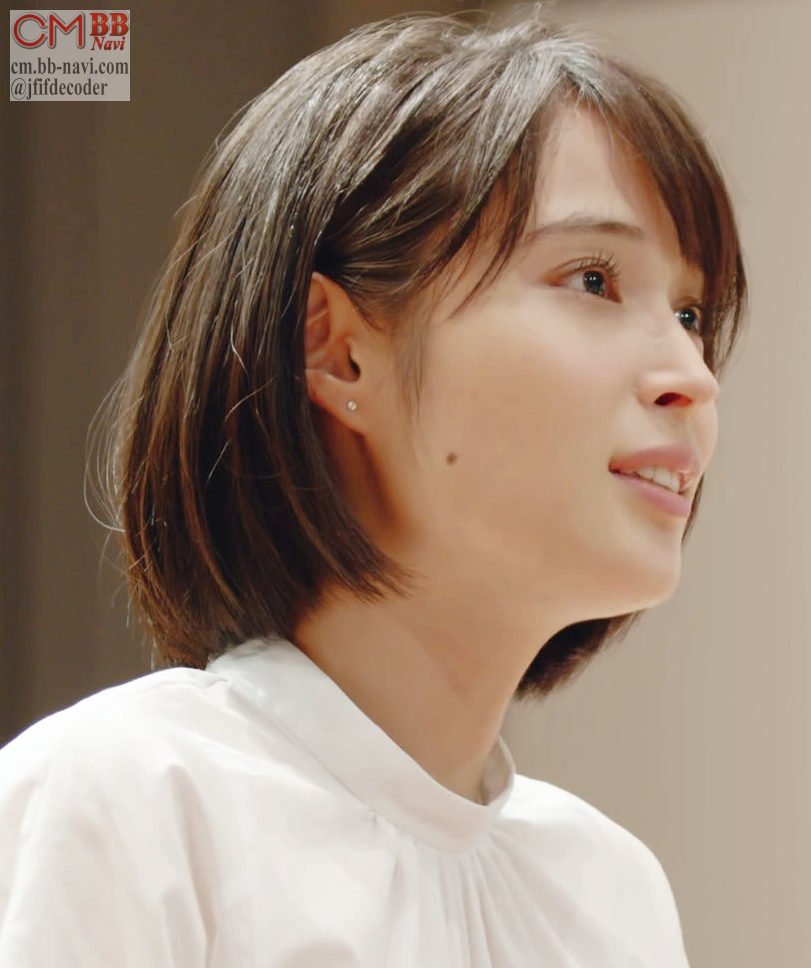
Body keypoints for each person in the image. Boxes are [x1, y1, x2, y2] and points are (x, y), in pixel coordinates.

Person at [0, 6, 747, 966]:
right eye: (593, 279)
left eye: (690, 313)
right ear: (338, 350)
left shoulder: (611, 897)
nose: (691, 375)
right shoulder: (130, 802)